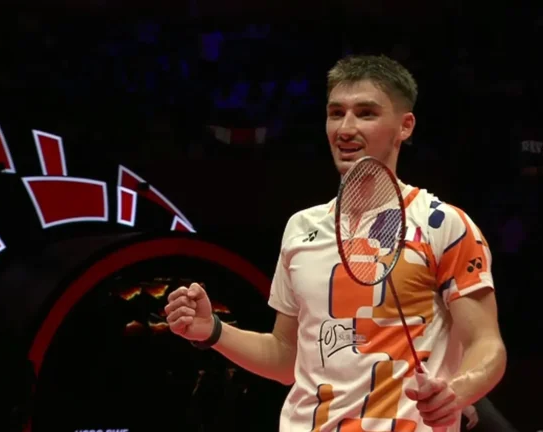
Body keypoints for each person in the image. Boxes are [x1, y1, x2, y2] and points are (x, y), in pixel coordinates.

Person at [165, 54, 507, 431]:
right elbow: (286, 358)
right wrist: (212, 330)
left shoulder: (442, 224)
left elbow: (486, 344)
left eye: (365, 113)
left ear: (405, 126)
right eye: (336, 113)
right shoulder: (301, 228)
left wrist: (456, 392)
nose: (345, 128)